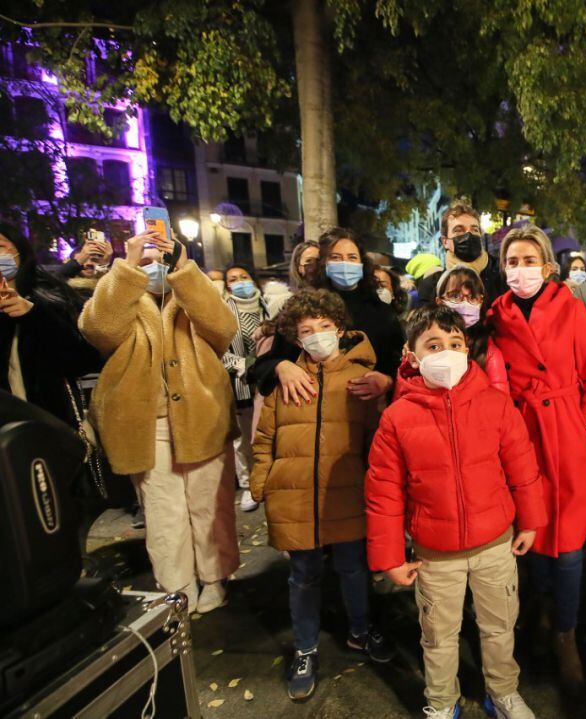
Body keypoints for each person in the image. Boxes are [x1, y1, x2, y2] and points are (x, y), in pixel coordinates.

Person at [366, 305, 546, 719]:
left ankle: (503, 692)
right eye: (433, 344)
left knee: (499, 627)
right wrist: (390, 557)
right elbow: (384, 494)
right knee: (438, 635)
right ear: (411, 356)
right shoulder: (397, 419)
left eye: (454, 343)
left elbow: (522, 465)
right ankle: (442, 702)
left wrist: (531, 520)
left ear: (468, 349)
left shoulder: (495, 404)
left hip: (495, 543)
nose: (446, 352)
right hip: (435, 553)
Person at [79, 230, 240, 614]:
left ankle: (215, 577)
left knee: (209, 505)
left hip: (203, 416)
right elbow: (97, 329)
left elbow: (223, 327)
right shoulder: (120, 295)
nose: (154, 266)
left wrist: (184, 269)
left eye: (159, 257)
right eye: (145, 258)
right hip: (146, 424)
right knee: (162, 510)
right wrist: (127, 266)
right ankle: (177, 586)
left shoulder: (189, 293)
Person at [249, 289, 390, 701]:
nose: (317, 336)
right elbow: (264, 440)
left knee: (352, 567)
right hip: (294, 497)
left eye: (325, 327)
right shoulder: (284, 379)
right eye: (307, 330)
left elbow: (375, 439)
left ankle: (360, 631)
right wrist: (263, 484)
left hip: (347, 495)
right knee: (304, 576)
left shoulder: (360, 380)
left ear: (340, 329)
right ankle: (305, 648)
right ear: (295, 337)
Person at [488, 224, 586, 692]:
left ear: (547, 264)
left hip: (565, 432)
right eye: (512, 262)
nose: (521, 270)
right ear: (503, 268)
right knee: (530, 533)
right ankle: (539, 611)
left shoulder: (571, 307)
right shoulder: (494, 314)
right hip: (520, 433)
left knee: (571, 544)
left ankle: (567, 633)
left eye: (528, 260)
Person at [248, 228, 404, 409]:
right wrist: (281, 366)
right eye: (336, 257)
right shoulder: (304, 308)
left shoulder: (383, 313)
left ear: (362, 263)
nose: (345, 264)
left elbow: (402, 364)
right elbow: (262, 365)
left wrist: (388, 380)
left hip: (368, 416)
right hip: (312, 413)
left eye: (352, 257)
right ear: (323, 263)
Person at [0, 222, 101, 426]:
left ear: (19, 251)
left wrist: (32, 315)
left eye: (0, 247)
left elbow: (84, 360)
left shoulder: (51, 297)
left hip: (50, 431)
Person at [222, 264, 287, 512]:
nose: (239, 282)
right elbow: (218, 350)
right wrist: (245, 365)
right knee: (247, 439)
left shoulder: (270, 305)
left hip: (271, 379)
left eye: (244, 277)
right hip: (241, 383)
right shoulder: (223, 311)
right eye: (233, 279)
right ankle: (250, 484)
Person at [434, 266, 508, 393]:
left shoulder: (488, 353)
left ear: (481, 302)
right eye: (455, 295)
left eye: (472, 297)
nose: (465, 303)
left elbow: (501, 404)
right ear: (439, 301)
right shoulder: (424, 343)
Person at [417, 202, 507, 303]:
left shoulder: (502, 273)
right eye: (459, 230)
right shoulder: (432, 285)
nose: (469, 235)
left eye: (475, 230)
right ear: (445, 241)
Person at [58, 233, 113, 301]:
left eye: (94, 260)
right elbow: (53, 283)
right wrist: (79, 260)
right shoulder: (67, 290)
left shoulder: (108, 285)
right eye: (84, 260)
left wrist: (104, 263)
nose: (89, 263)